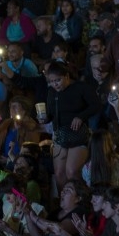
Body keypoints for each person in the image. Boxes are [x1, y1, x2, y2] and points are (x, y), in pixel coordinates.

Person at [39, 62, 100, 191]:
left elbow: (96, 105)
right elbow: (50, 114)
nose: (56, 84)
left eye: (58, 80)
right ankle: (65, 201)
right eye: (52, 81)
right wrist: (45, 119)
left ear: (66, 76)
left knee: (71, 171)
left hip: (78, 134)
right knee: (59, 174)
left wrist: (81, 116)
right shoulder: (51, 92)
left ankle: (82, 198)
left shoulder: (81, 88)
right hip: (60, 135)